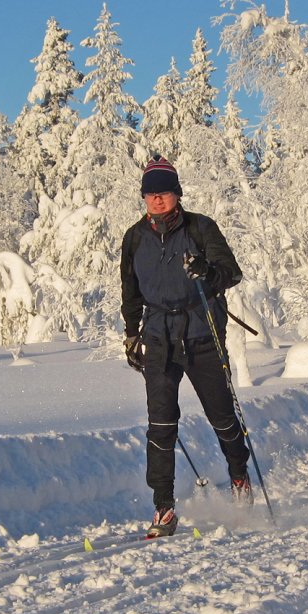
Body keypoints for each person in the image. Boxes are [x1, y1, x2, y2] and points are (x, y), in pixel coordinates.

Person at [121, 155, 252, 537]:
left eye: (164, 193)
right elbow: (130, 291)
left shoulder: (201, 228)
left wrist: (208, 272)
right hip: (159, 334)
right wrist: (132, 333)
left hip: (202, 330)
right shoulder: (134, 238)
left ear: (177, 194)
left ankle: (240, 475)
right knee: (160, 425)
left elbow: (232, 272)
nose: (158, 200)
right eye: (151, 194)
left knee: (221, 415)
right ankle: (163, 507)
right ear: (144, 199)